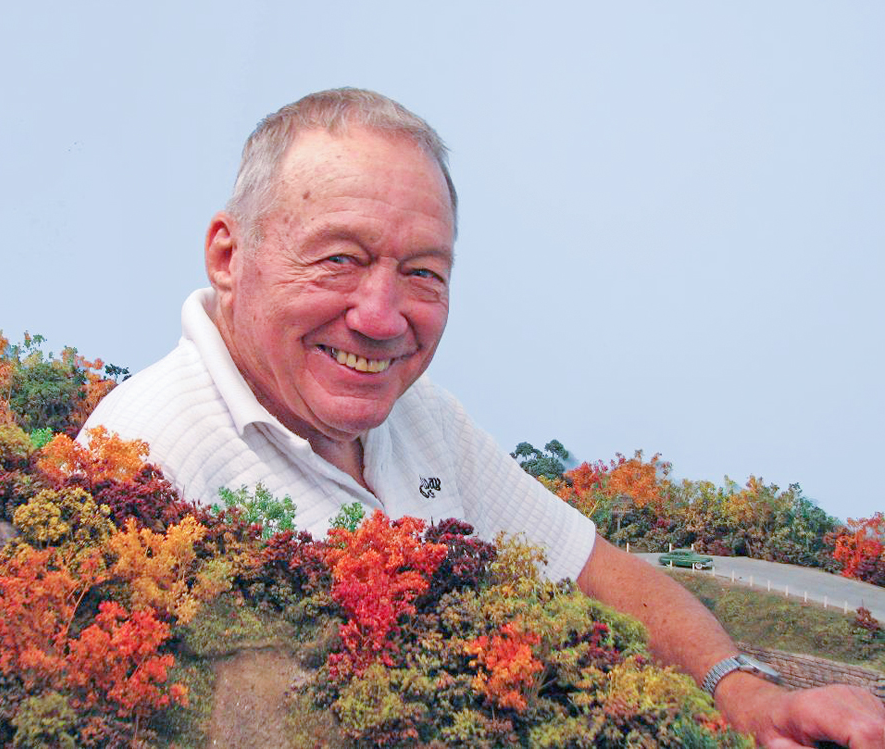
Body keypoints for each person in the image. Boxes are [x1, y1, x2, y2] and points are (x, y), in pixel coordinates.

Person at [83, 88, 885, 746]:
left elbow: (596, 571)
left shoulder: (424, 418)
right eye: (340, 258)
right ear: (229, 256)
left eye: (423, 272)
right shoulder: (142, 459)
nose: (381, 315)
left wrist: (744, 695)